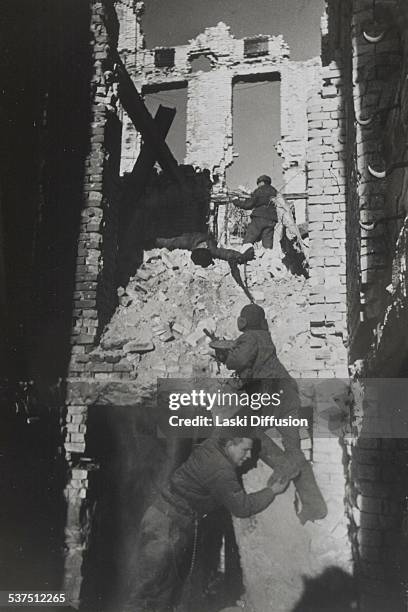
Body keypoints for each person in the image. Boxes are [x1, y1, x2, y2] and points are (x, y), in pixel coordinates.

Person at [124, 436, 288, 612]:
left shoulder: (213, 446)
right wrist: (272, 491)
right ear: (230, 444)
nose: (249, 456)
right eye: (245, 450)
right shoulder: (220, 470)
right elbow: (242, 507)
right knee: (147, 587)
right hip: (166, 526)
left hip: (167, 519)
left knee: (164, 590)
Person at [219, 303, 328, 525]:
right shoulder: (265, 338)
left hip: (272, 396)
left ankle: (283, 467)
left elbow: (238, 361)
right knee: (294, 450)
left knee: (246, 428)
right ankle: (315, 507)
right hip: (287, 395)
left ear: (244, 321)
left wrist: (225, 357)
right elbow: (248, 371)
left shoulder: (250, 337)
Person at [154, 231, 254, 268]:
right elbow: (225, 253)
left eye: (204, 246)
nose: (205, 245)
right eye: (205, 247)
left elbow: (225, 253)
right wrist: (242, 256)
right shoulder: (211, 248)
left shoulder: (186, 242)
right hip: (198, 232)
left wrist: (241, 257)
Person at [232, 174, 278, 249]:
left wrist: (236, 201)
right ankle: (268, 258)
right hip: (272, 219)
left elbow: (248, 205)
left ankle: (244, 256)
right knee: (267, 244)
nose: (258, 185)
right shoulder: (274, 191)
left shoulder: (259, 190)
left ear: (262, 182)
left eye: (258, 184)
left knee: (249, 239)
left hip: (259, 218)